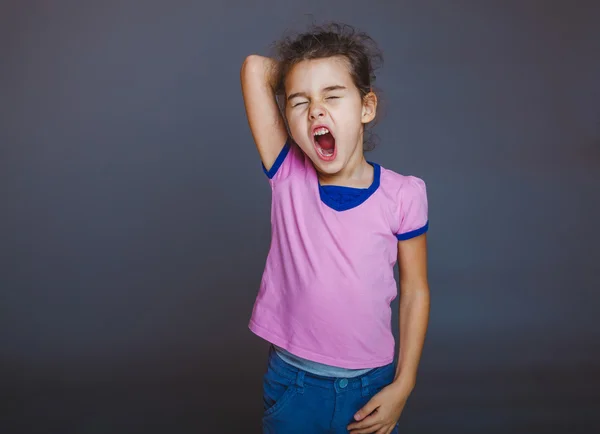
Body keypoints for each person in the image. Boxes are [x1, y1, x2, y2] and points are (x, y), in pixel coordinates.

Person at [240, 22, 430, 434]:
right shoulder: (288, 173)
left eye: (332, 95)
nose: (316, 111)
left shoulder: (403, 195)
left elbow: (415, 289)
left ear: (366, 107)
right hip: (295, 384)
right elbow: (255, 68)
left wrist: (405, 382)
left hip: (372, 387)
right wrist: (299, 76)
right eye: (299, 102)